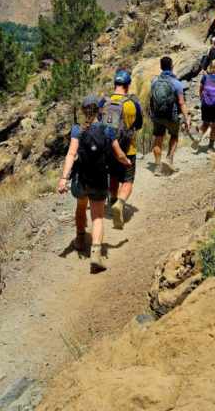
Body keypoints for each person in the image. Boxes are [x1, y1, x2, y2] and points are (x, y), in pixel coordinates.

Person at [58, 95, 132, 271]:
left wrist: (63, 177)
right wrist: (126, 161)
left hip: (80, 178)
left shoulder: (77, 130)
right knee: (97, 217)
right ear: (100, 110)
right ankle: (96, 254)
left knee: (81, 207)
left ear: (83, 111)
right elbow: (119, 154)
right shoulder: (107, 130)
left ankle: (80, 240)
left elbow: (71, 154)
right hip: (99, 178)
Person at [99, 71, 143, 230]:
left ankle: (111, 203)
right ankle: (121, 203)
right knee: (128, 180)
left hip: (109, 148)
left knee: (113, 176)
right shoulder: (133, 104)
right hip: (128, 148)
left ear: (114, 85)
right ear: (128, 85)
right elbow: (138, 125)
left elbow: (98, 125)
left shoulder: (103, 102)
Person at [149, 57, 190, 175]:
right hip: (171, 115)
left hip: (157, 115)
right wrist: (187, 119)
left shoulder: (155, 81)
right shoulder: (176, 83)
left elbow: (151, 99)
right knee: (174, 135)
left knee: (158, 139)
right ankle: (169, 159)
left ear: (161, 68)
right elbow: (181, 102)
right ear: (172, 67)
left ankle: (157, 168)